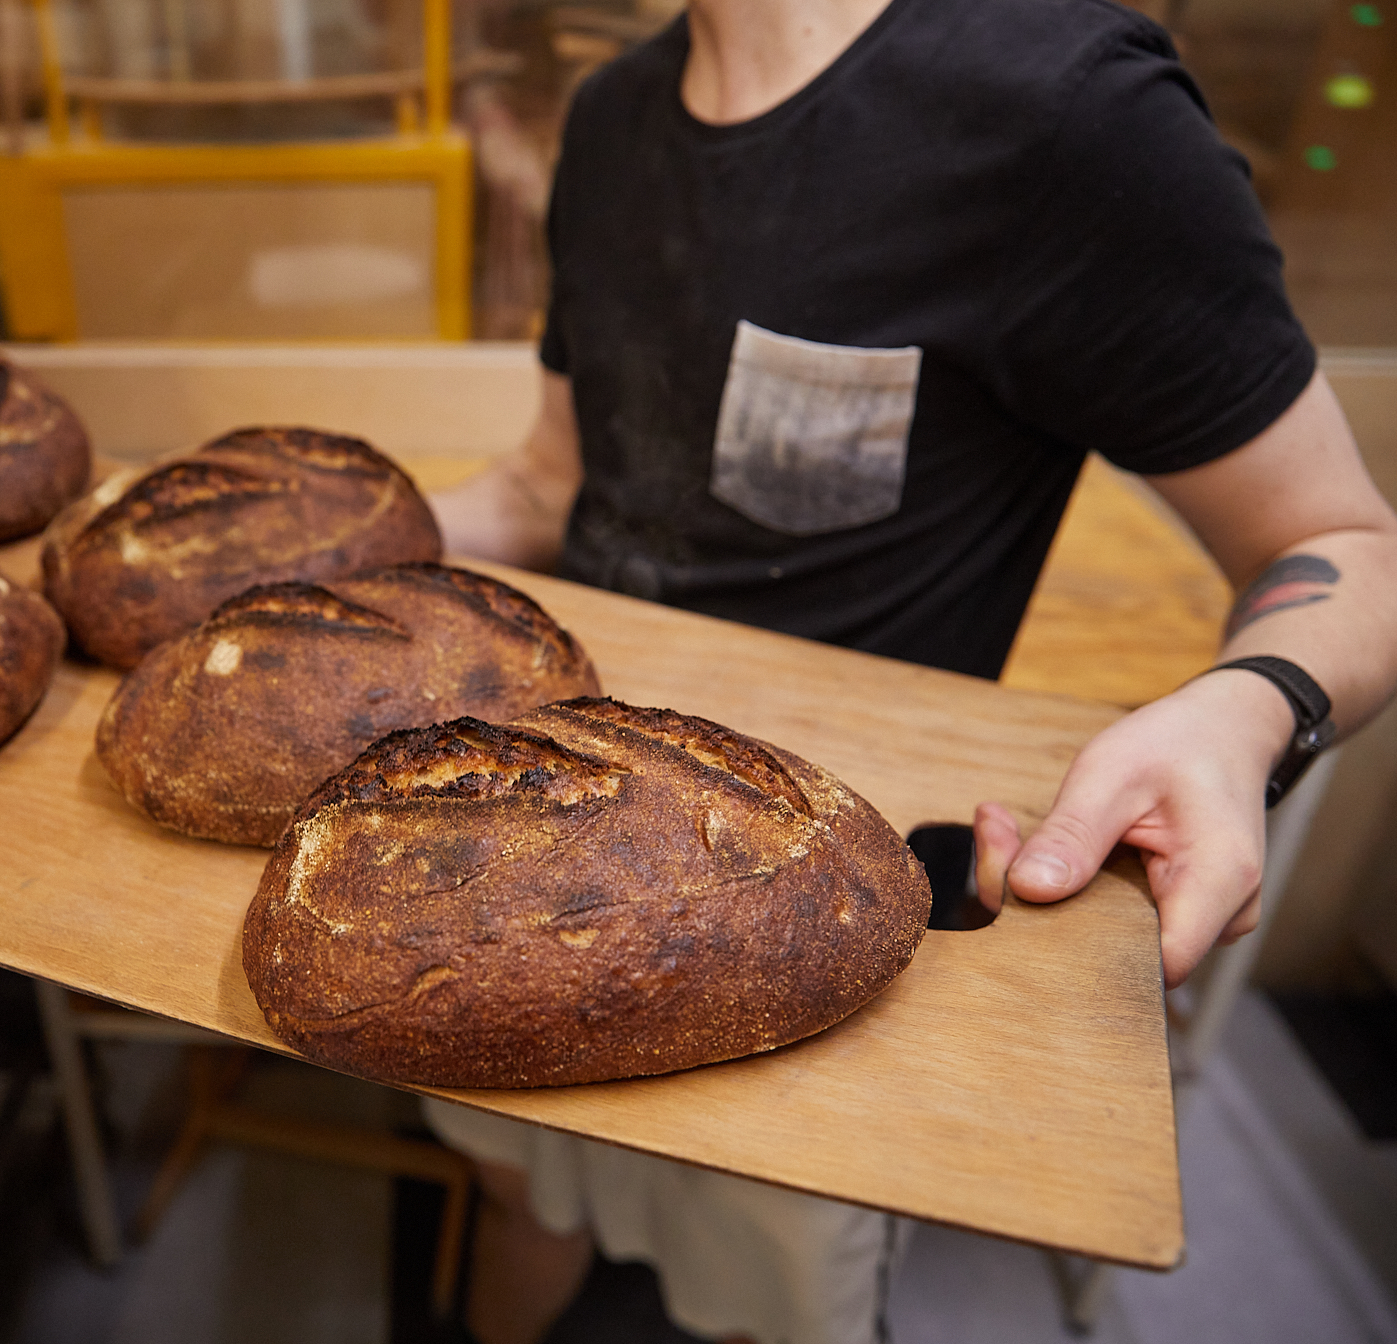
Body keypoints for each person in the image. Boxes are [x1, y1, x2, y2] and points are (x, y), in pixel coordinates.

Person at [422, 0, 1397, 1341]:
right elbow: (551, 486)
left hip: (817, 929)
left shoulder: (1062, 114)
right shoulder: (610, 119)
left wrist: (1241, 716)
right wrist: (333, 543)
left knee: (767, 1292)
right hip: (544, 853)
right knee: (518, 1191)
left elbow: (1344, 544)